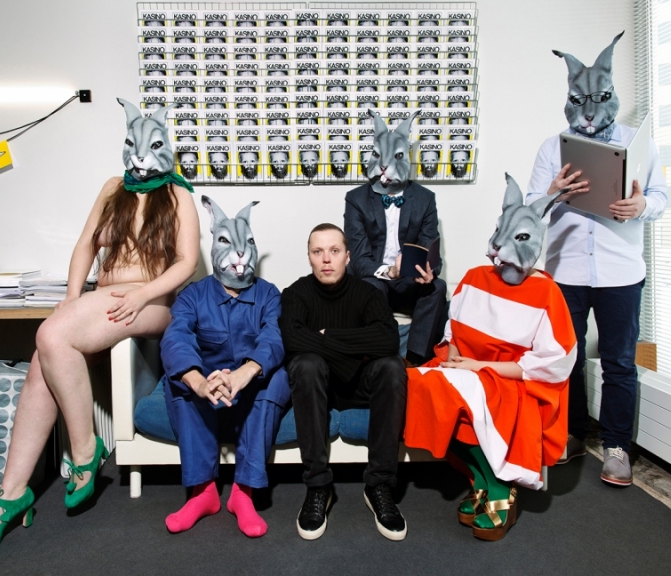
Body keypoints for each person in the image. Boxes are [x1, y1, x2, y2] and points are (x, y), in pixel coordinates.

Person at [0, 99, 200, 552]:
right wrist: (72, 299)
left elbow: (187, 262)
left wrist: (141, 295)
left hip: (150, 303)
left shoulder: (178, 195)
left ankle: (84, 451)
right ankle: (12, 495)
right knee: (42, 361)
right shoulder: (113, 187)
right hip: (101, 299)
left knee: (49, 335)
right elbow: (84, 246)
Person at [526, 32, 667, 486]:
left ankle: (617, 447)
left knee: (619, 361)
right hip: (566, 271)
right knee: (564, 357)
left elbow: (661, 197)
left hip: (620, 272)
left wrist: (640, 206)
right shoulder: (552, 148)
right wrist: (554, 192)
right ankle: (569, 435)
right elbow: (528, 209)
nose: (588, 109)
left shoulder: (637, 143)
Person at [404, 174, 577, 541]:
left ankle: (499, 487)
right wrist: (453, 357)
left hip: (509, 384)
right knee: (416, 384)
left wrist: (479, 367)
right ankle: (483, 480)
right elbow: (453, 332)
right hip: (466, 373)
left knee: (448, 391)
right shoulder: (474, 278)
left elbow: (553, 363)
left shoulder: (547, 293)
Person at [161, 197, 290, 538]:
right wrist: (200, 382)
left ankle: (242, 494)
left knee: (278, 377)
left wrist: (245, 373)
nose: (240, 253)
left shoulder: (269, 295)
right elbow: (175, 338)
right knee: (176, 379)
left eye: (247, 243)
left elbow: (275, 337)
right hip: (209, 392)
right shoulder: (192, 295)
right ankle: (203, 493)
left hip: (250, 391)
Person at [279, 223, 407, 541]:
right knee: (306, 364)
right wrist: (354, 349)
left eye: (334, 251)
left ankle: (379, 485)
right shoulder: (295, 293)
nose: (326, 259)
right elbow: (292, 339)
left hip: (359, 387)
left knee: (392, 367)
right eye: (318, 251)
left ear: (347, 256)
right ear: (309, 257)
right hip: (315, 389)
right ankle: (318, 486)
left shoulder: (368, 293)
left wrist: (329, 337)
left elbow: (388, 340)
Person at [344, 110, 447, 366]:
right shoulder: (356, 199)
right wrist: (388, 271)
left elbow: (431, 248)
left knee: (437, 288)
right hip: (376, 277)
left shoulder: (425, 199)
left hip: (410, 280)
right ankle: (381, 358)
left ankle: (415, 359)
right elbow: (358, 258)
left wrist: (428, 270)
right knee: (370, 288)